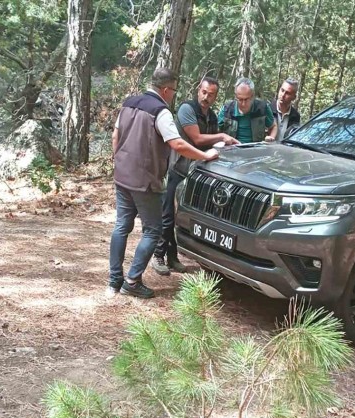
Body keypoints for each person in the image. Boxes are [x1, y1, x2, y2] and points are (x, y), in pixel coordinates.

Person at [109, 68, 219, 298]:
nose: (174, 95)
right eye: (174, 90)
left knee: (121, 226)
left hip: (122, 176)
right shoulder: (161, 112)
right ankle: (132, 280)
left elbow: (115, 135)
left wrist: (117, 159)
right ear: (166, 89)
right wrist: (205, 155)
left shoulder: (129, 103)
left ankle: (114, 280)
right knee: (153, 230)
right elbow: (177, 144)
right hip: (145, 181)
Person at [151, 77, 239, 275]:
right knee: (167, 216)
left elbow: (210, 145)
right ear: (199, 90)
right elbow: (197, 138)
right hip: (178, 170)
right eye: (204, 92)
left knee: (182, 216)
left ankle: (172, 257)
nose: (206, 97)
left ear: (216, 96)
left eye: (211, 94)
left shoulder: (212, 117)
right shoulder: (186, 109)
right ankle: (158, 254)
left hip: (197, 175)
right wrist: (222, 137)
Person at [218, 78, 277, 143]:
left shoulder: (262, 108)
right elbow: (216, 131)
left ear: (252, 96)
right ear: (236, 96)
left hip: (255, 149)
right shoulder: (227, 109)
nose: (243, 104)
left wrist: (271, 137)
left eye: (246, 99)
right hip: (232, 149)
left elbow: (273, 126)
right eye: (240, 99)